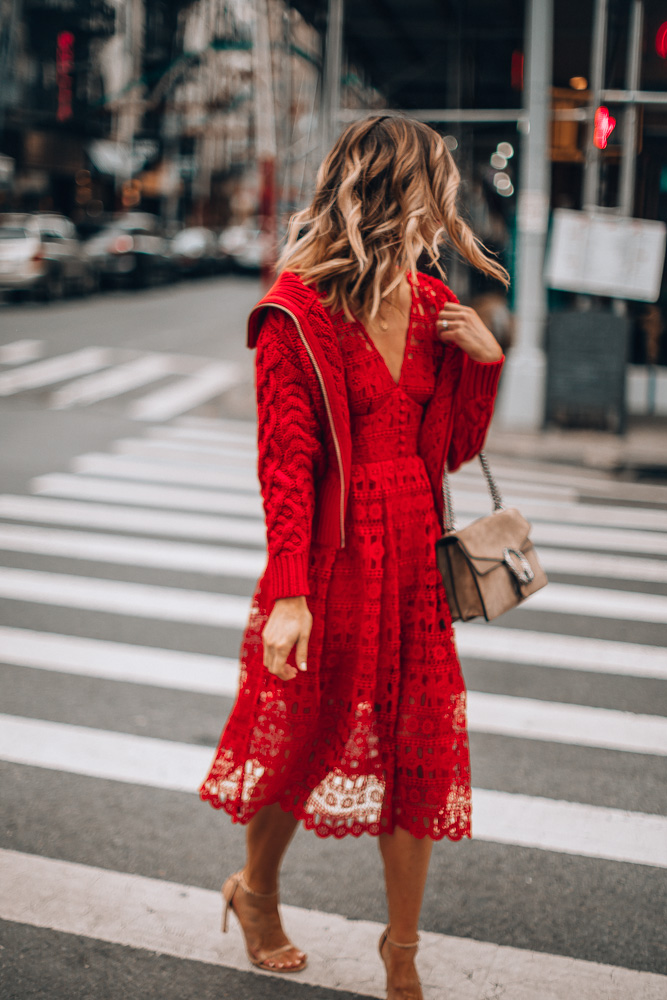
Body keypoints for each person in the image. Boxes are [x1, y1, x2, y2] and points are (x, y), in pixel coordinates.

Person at [200, 114, 509, 1000]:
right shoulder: (297, 308)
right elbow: (285, 465)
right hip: (332, 559)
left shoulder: (431, 304)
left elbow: (446, 449)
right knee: (302, 738)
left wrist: (482, 363)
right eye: (433, 188)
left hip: (412, 553)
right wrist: (289, 594)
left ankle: (400, 952)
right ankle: (255, 891)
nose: (442, 207)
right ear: (396, 188)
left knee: (417, 749)